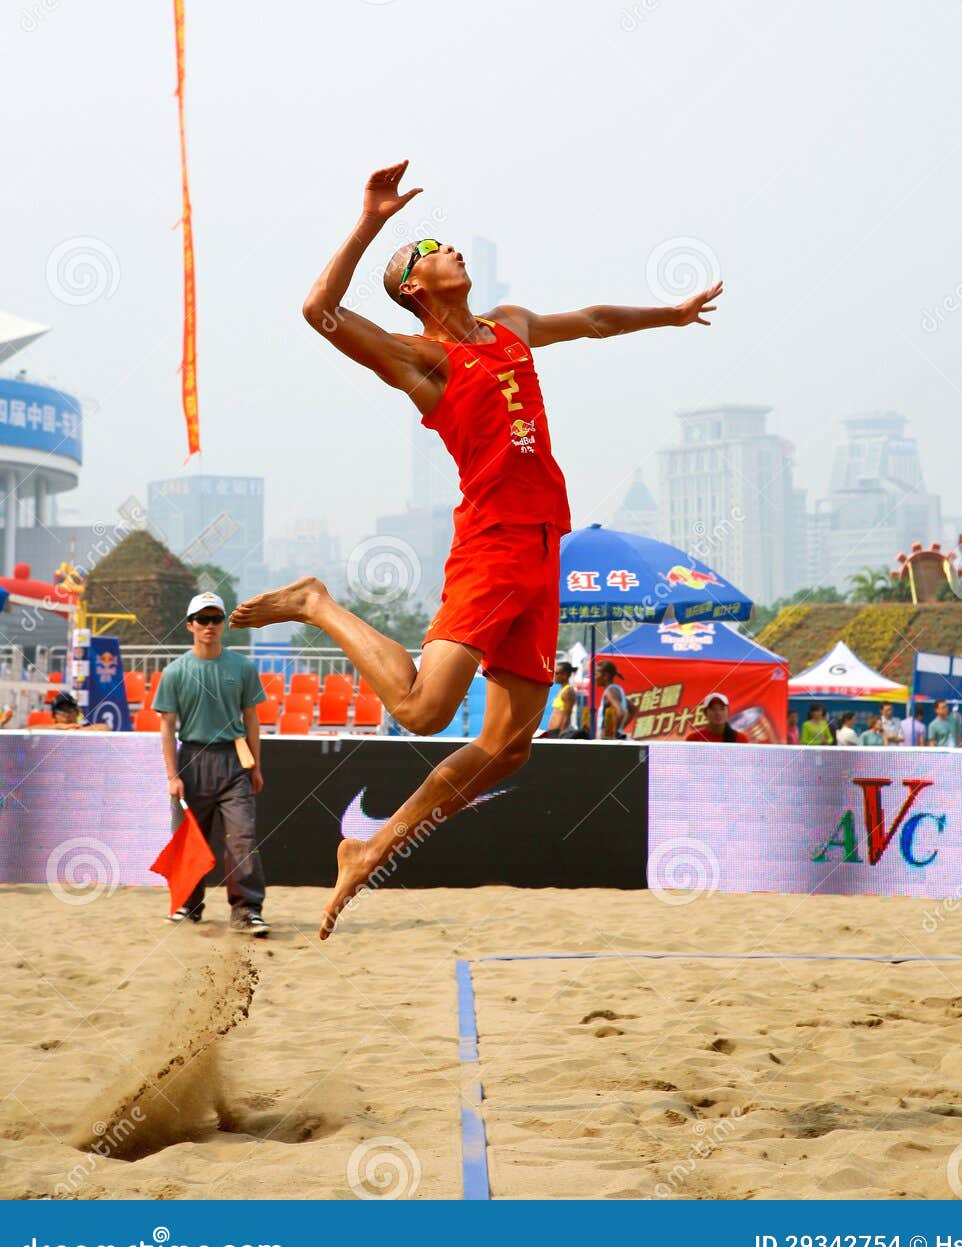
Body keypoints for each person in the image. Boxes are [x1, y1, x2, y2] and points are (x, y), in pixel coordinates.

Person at [231, 162, 722, 938]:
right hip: (491, 543)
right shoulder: (419, 359)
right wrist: (371, 220)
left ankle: (367, 849)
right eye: (430, 248)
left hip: (540, 548)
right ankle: (315, 601)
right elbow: (318, 309)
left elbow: (592, 319)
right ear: (414, 287)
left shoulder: (509, 324)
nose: (448, 247)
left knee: (510, 748)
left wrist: (669, 314)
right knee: (425, 709)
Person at [156, 591, 269, 935]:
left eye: (215, 619)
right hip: (192, 759)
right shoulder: (175, 672)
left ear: (223, 624)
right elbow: (167, 726)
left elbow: (252, 719)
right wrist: (173, 775)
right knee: (190, 837)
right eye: (202, 620)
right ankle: (188, 906)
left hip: (234, 760)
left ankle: (247, 911)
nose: (209, 626)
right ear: (190, 625)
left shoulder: (242, 668)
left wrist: (256, 767)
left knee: (242, 837)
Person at [595, 660, 631, 739]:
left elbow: (620, 712)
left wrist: (614, 733)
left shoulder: (610, 691)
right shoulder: (616, 689)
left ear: (605, 676)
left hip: (606, 739)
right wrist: (620, 728)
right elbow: (633, 708)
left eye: (596, 674)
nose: (594, 678)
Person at [540, 661, 577, 737]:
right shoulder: (562, 690)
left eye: (557, 673)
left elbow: (567, 714)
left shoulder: (568, 691)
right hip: (553, 730)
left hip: (558, 732)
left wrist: (562, 733)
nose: (554, 676)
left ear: (565, 675)